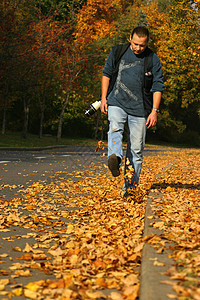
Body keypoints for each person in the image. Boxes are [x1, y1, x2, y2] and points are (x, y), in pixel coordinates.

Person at [100, 26, 164, 196]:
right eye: (135, 44)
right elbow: (106, 74)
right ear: (130, 38)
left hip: (140, 110)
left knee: (136, 150)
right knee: (115, 126)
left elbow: (158, 85)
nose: (138, 48)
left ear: (147, 43)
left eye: (142, 45)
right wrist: (104, 98)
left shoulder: (153, 59)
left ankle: (130, 188)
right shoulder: (118, 52)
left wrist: (154, 111)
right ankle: (115, 158)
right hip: (116, 102)